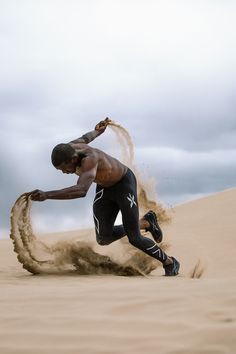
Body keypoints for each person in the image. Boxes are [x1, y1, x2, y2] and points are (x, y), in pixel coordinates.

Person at [30, 118, 180, 276]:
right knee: (103, 238)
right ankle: (145, 222)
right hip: (105, 187)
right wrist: (97, 131)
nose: (64, 172)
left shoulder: (90, 160)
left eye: (64, 168)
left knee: (134, 238)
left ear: (73, 159)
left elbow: (81, 190)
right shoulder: (71, 147)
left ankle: (170, 262)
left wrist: (47, 195)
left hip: (124, 184)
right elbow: (85, 138)